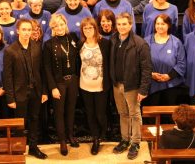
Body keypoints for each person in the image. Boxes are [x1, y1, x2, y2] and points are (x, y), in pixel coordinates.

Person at [3, 19, 48, 159]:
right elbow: (7, 76)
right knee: (20, 123)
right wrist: (10, 98)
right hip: (19, 93)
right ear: (18, 31)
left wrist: (44, 91)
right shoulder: (10, 51)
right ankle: (18, 148)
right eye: (24, 29)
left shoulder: (36, 47)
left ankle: (33, 147)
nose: (27, 32)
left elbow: (42, 71)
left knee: (35, 119)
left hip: (36, 91)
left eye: (29, 30)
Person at [110, 12, 152, 160]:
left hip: (132, 86)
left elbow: (147, 69)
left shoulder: (140, 43)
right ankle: (125, 139)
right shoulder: (114, 39)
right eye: (119, 24)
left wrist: (143, 89)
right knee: (122, 113)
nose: (121, 27)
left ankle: (135, 142)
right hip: (117, 84)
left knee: (134, 114)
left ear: (131, 25)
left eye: (124, 24)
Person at [43, 14, 80, 156]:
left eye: (61, 24)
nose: (59, 28)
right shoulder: (49, 44)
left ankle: (71, 135)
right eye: (56, 25)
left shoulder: (73, 38)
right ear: (52, 28)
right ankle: (62, 140)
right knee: (59, 112)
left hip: (73, 81)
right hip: (59, 83)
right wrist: (53, 87)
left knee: (71, 110)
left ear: (66, 24)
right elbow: (47, 68)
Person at [77, 17, 111, 155]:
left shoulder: (105, 43)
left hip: (101, 86)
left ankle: (103, 132)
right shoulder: (80, 45)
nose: (88, 30)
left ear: (95, 29)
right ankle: (95, 139)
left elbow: (109, 64)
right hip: (85, 85)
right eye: (85, 28)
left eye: (90, 27)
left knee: (100, 114)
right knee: (90, 113)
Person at [144, 14, 186, 105]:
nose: (160, 26)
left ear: (168, 25)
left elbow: (181, 63)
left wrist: (169, 76)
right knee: (152, 114)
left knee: (169, 115)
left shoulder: (176, 42)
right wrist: (151, 74)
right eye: (157, 23)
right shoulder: (146, 42)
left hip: (171, 85)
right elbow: (141, 62)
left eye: (163, 24)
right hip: (151, 84)